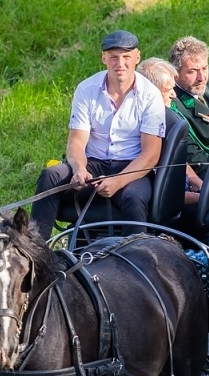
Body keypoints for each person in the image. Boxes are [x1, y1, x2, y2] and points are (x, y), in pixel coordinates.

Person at [32, 30, 165, 240]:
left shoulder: (150, 95)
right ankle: (36, 249)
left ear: (137, 57)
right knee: (51, 176)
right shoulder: (86, 89)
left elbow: (151, 155)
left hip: (133, 168)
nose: (120, 63)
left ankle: (136, 254)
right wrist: (79, 169)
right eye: (113, 57)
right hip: (93, 164)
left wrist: (117, 182)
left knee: (134, 197)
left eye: (126, 57)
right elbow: (76, 142)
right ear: (104, 58)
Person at [167, 36, 209, 184]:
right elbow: (192, 154)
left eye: (204, 68)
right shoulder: (172, 102)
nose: (202, 77)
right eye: (193, 71)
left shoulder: (207, 79)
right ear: (175, 74)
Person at [138, 58, 200, 206]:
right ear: (150, 93)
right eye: (167, 90)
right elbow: (161, 194)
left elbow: (177, 161)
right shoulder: (144, 130)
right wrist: (201, 199)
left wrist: (199, 183)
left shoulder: (167, 117)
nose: (174, 95)